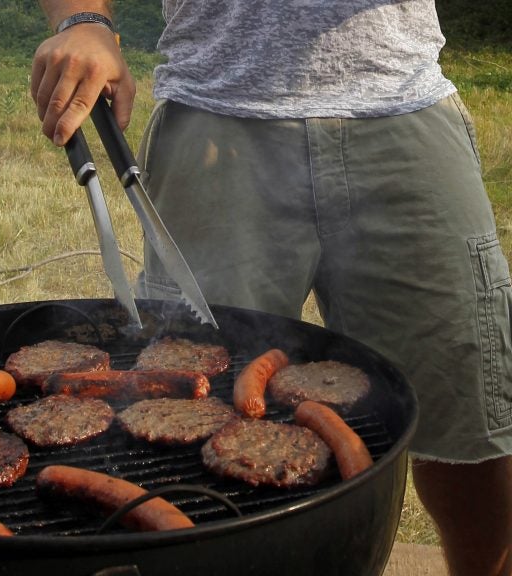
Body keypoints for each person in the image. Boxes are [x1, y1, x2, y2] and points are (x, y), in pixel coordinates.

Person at [30, 2, 512, 575]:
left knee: (475, 419)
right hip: (216, 121)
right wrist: (83, 19)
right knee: (181, 410)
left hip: (403, 108)